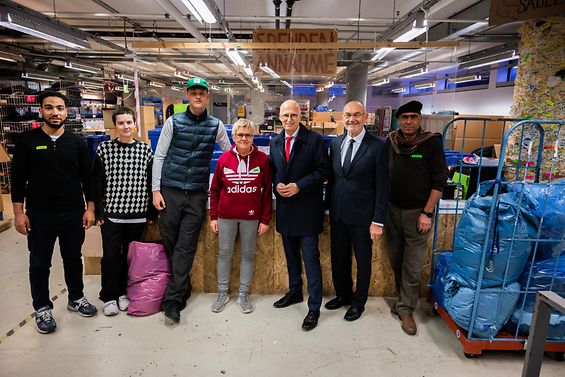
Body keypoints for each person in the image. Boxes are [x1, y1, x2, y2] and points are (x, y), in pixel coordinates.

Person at [11, 90, 97, 334]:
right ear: (41, 111)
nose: (55, 112)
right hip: (39, 214)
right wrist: (19, 213)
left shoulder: (76, 142)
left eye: (59, 108)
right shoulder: (27, 141)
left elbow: (87, 179)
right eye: (49, 108)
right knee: (39, 263)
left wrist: (89, 209)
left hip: (72, 212)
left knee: (73, 258)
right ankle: (42, 307)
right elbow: (18, 181)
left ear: (66, 112)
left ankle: (76, 298)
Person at [152, 77, 231, 324]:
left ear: (207, 96)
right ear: (187, 95)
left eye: (202, 93)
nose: (198, 96)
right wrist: (156, 190)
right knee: (171, 243)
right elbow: (160, 156)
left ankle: (172, 301)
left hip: (197, 194)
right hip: (171, 191)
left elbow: (228, 154)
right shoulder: (173, 122)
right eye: (194, 92)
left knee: (186, 246)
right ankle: (182, 289)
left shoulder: (216, 125)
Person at [385, 100, 448, 335]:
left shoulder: (431, 143)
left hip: (417, 213)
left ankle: (407, 310)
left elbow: (439, 180)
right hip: (391, 210)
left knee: (412, 264)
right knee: (395, 257)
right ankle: (402, 301)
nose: (408, 121)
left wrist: (427, 212)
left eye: (413, 117)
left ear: (419, 119)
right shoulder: (391, 142)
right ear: (398, 120)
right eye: (404, 117)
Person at [325, 101, 388, 321]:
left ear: (365, 117)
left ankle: (358, 302)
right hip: (339, 214)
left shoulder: (378, 147)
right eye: (348, 115)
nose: (352, 119)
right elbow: (333, 180)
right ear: (342, 118)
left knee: (363, 261)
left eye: (356, 115)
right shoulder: (336, 144)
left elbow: (383, 186)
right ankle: (343, 294)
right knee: (339, 258)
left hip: (364, 217)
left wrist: (378, 220)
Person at [269, 99, 329, 331]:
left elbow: (323, 171)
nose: (289, 120)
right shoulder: (275, 142)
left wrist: (299, 186)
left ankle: (314, 307)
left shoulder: (314, 140)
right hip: (285, 210)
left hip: (307, 210)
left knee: (310, 259)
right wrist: (277, 185)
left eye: (293, 115)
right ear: (280, 116)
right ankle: (295, 292)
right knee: (291, 256)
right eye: (285, 115)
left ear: (300, 116)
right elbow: (273, 171)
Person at [93, 107, 156, 316]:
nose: (125, 126)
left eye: (129, 122)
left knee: (130, 258)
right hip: (112, 214)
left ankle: (123, 293)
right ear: (115, 126)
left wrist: (150, 213)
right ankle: (109, 296)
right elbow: (98, 183)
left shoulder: (145, 150)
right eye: (121, 123)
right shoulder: (104, 149)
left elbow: (150, 183)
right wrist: (100, 212)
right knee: (111, 257)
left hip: (137, 214)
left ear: (135, 124)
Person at [209, 118, 272, 314]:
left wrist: (265, 219)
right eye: (240, 135)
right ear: (233, 136)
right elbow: (215, 190)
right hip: (225, 216)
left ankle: (243, 294)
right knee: (224, 254)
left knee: (247, 255)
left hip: (251, 217)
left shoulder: (263, 160)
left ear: (253, 137)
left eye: (248, 135)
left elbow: (267, 191)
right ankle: (222, 292)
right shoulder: (223, 160)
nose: (244, 138)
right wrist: (213, 217)